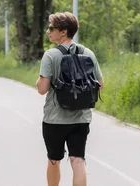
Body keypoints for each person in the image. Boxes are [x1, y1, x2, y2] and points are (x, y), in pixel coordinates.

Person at [35, 12, 104, 186]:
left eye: (52, 28)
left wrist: (41, 80)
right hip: (81, 117)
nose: (48, 31)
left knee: (54, 160)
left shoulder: (51, 55)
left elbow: (42, 89)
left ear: (64, 31)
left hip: (55, 119)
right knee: (78, 160)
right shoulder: (88, 53)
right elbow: (100, 84)